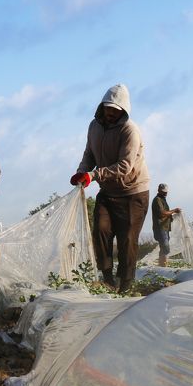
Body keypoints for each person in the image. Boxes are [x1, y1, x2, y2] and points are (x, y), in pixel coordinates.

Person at [70, 83, 150, 292]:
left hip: (133, 192)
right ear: (102, 107)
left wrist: (94, 175)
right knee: (101, 231)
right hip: (108, 192)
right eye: (108, 109)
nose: (111, 114)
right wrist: (82, 172)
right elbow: (89, 154)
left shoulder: (130, 130)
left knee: (127, 239)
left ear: (123, 111)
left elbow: (125, 166)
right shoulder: (94, 126)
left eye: (116, 111)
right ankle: (107, 278)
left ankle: (125, 283)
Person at [151, 183, 181, 267]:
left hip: (165, 227)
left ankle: (162, 266)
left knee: (164, 248)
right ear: (159, 190)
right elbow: (162, 213)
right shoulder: (157, 200)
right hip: (160, 227)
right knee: (165, 248)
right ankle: (163, 266)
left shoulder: (163, 199)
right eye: (163, 192)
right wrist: (174, 210)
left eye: (166, 192)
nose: (165, 193)